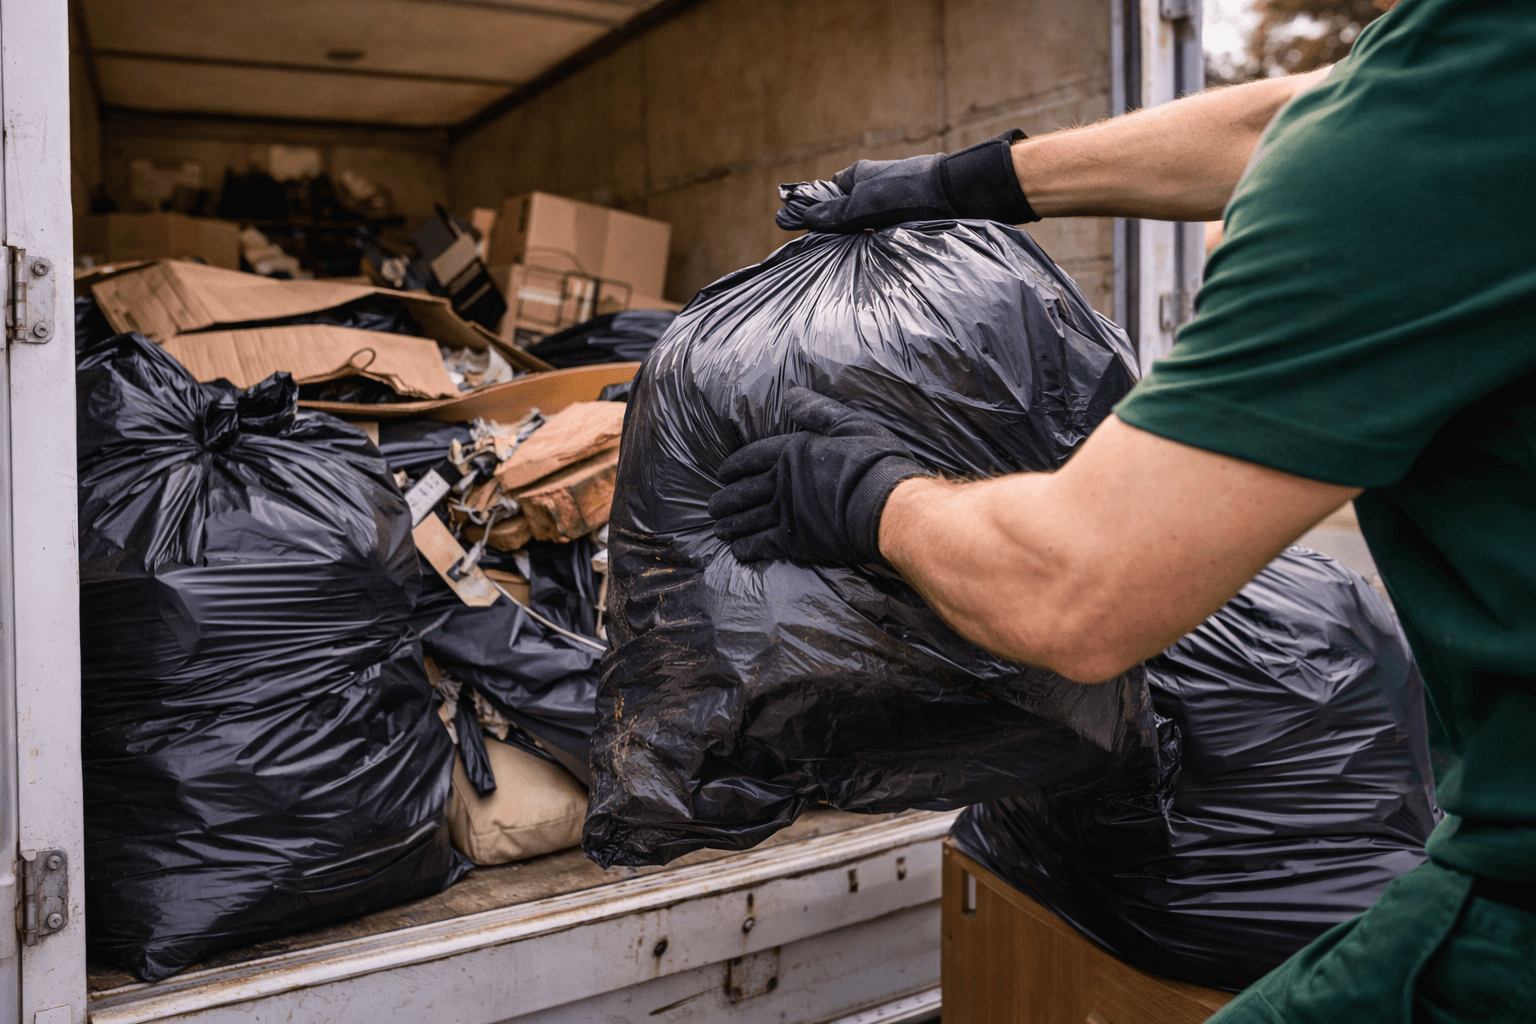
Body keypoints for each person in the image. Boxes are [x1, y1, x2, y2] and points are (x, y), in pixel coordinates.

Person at [705, 0, 1536, 1020]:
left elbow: (1074, 591)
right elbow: (1296, 118)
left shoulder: (1432, 131)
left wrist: (867, 496)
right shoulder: (1475, 77)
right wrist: (964, 181)